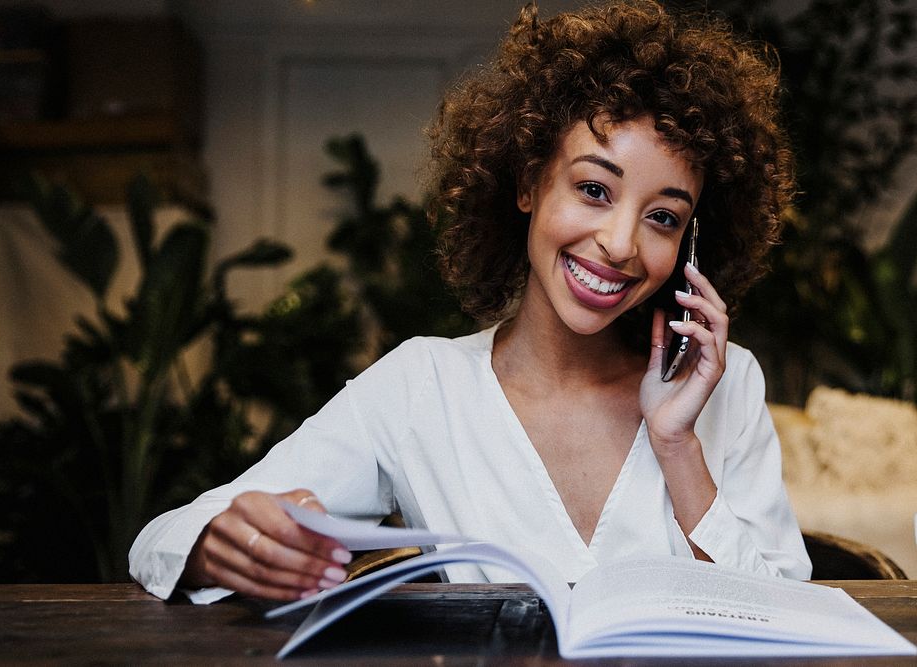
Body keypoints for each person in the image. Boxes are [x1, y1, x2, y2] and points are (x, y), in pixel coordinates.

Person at [130, 0, 811, 604]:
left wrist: (677, 446)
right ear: (528, 182)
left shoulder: (725, 387)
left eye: (662, 217)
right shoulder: (420, 388)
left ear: (690, 244)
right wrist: (221, 541)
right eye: (594, 190)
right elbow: (162, 539)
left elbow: (791, 610)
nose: (619, 243)